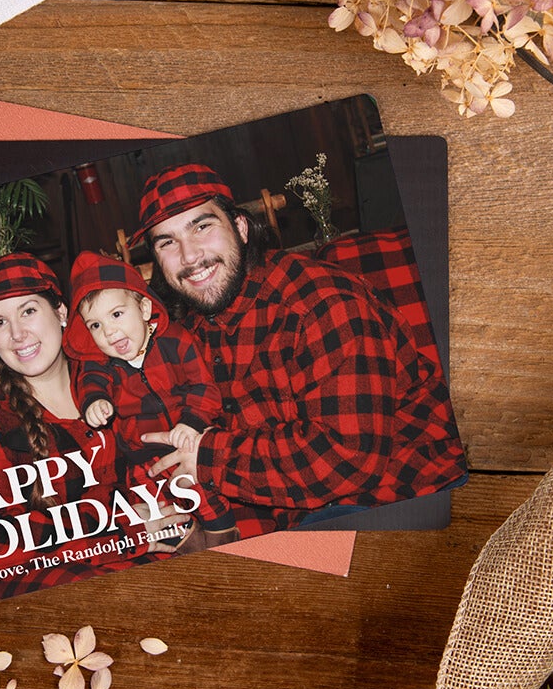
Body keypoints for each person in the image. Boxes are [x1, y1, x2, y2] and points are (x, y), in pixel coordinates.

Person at [129, 163, 468, 529]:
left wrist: (208, 459)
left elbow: (345, 460)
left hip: (404, 493)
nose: (190, 256)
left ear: (241, 229)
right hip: (303, 510)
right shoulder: (191, 330)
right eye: (167, 243)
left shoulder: (323, 302)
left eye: (202, 226)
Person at [0, 252, 190, 609]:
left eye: (28, 311)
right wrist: (125, 531)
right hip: (54, 586)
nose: (17, 334)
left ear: (60, 313)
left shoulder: (113, 368)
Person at [62, 250, 241, 549]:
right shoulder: (101, 362)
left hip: (188, 441)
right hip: (141, 457)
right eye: (95, 325)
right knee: (156, 512)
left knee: (205, 497)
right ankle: (185, 549)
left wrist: (191, 421)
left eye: (116, 315)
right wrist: (93, 401)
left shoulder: (175, 341)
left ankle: (227, 542)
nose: (109, 332)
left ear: (144, 308)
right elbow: (89, 383)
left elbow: (203, 387)